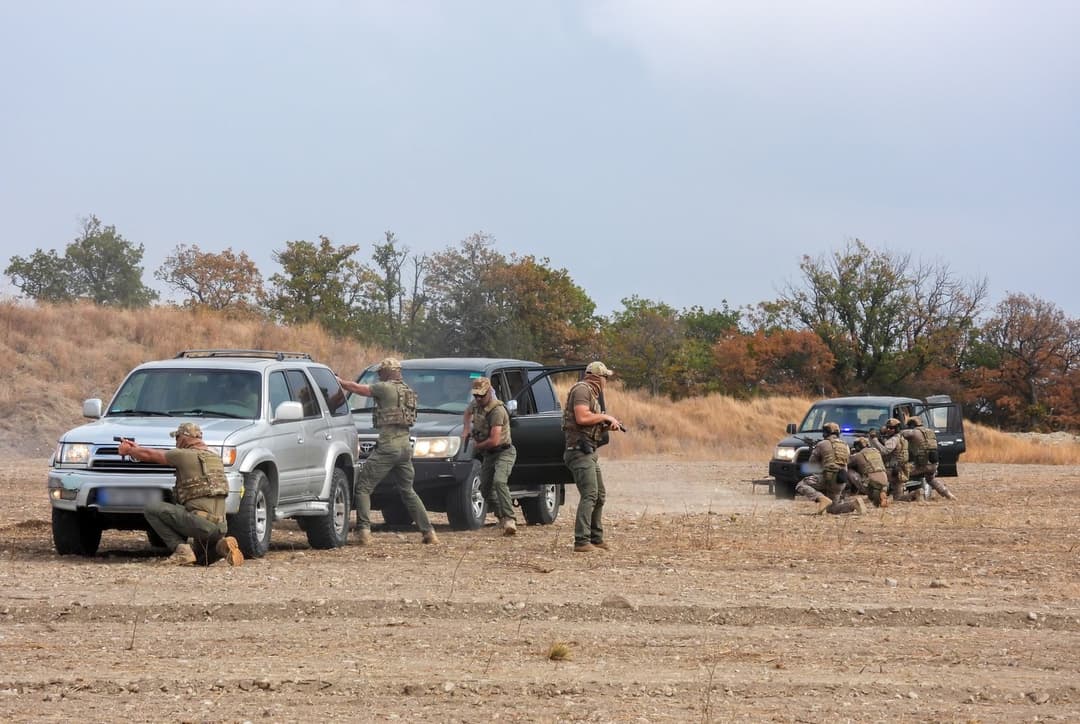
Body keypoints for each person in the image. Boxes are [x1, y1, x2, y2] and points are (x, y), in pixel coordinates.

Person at [336, 358, 438, 545]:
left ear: (387, 372)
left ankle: (363, 531)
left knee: (363, 487)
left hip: (388, 446)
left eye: (381, 373)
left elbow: (358, 389)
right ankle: (429, 532)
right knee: (408, 490)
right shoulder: (407, 390)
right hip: (405, 447)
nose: (379, 376)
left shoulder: (384, 388)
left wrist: (339, 381)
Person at [117, 423, 244, 566]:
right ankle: (221, 545)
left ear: (184, 438)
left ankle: (181, 550)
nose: (176, 442)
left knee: (151, 508)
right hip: (221, 526)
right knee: (201, 560)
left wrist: (129, 450)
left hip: (201, 523)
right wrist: (137, 448)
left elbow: (151, 455)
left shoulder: (182, 455)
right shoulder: (215, 458)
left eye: (177, 437)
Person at [562, 361, 624, 552]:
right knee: (589, 494)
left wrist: (607, 425)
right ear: (599, 377)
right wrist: (605, 417)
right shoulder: (582, 390)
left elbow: (588, 422)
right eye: (606, 377)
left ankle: (596, 539)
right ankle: (582, 541)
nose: (606, 382)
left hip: (588, 450)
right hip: (579, 451)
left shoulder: (591, 394)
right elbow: (581, 417)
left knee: (599, 495)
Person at [467, 377, 518, 535]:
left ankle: (510, 518)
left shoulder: (497, 410)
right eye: (476, 395)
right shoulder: (476, 405)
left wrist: (476, 446)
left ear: (489, 392)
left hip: (504, 451)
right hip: (489, 455)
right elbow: (467, 413)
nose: (478, 398)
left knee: (499, 481)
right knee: (485, 489)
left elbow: (495, 440)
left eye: (481, 395)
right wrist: (465, 429)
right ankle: (501, 517)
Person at [794, 421, 866, 515]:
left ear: (825, 433)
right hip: (841, 480)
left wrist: (814, 451)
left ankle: (820, 498)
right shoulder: (845, 445)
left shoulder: (822, 444)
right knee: (832, 508)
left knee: (801, 485)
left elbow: (812, 464)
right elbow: (846, 461)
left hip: (828, 477)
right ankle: (854, 504)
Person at [901, 417, 956, 500]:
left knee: (900, 473)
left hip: (921, 465)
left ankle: (904, 495)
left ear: (912, 425)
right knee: (930, 479)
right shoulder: (930, 432)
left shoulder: (913, 432)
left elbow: (900, 434)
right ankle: (948, 494)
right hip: (933, 464)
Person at [870, 418, 916, 502]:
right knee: (898, 498)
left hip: (891, 470)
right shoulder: (902, 438)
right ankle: (915, 494)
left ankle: (880, 498)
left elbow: (884, 451)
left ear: (896, 429)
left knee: (873, 480)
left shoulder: (894, 439)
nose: (888, 430)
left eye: (891, 428)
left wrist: (875, 440)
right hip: (900, 470)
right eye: (887, 427)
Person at [846, 437, 890, 508]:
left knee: (849, 471)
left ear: (857, 446)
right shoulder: (876, 451)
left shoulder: (858, 455)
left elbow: (847, 463)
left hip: (872, 484)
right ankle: (880, 493)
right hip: (885, 482)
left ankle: (851, 492)